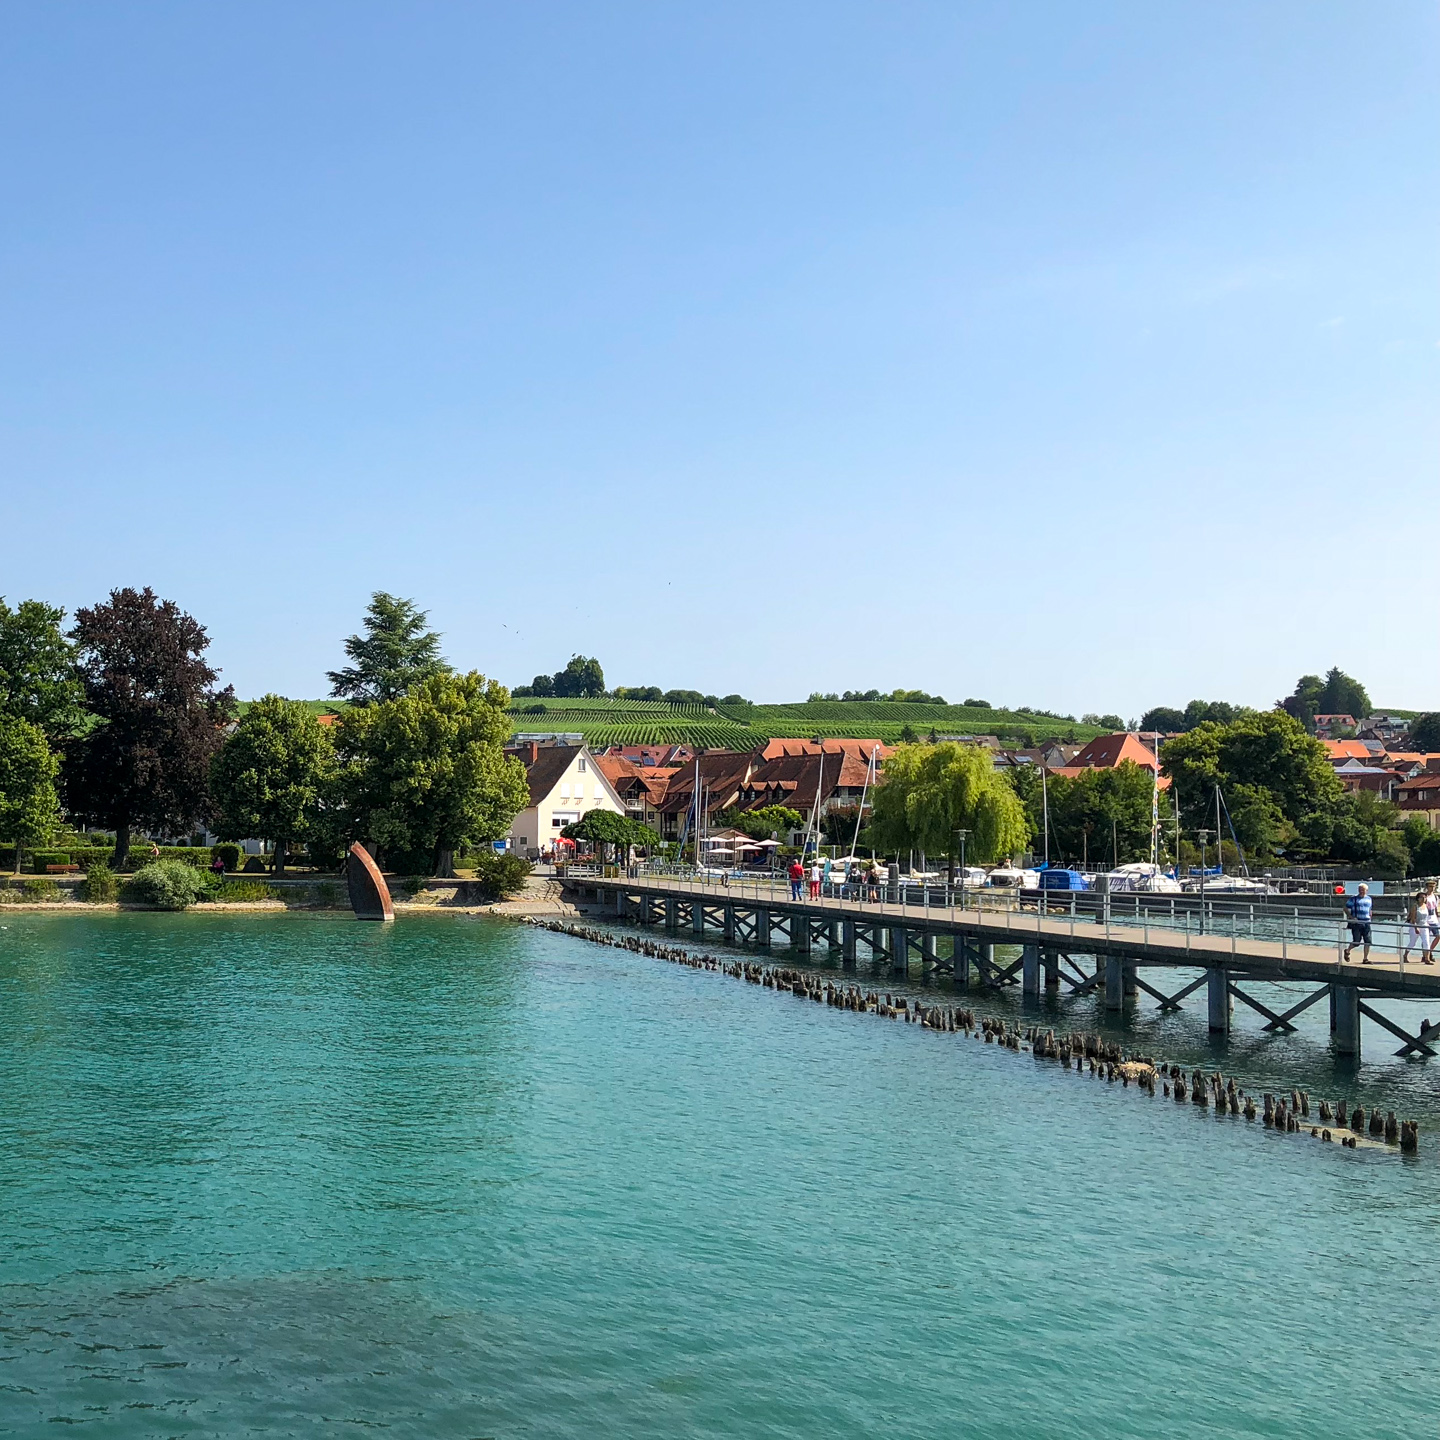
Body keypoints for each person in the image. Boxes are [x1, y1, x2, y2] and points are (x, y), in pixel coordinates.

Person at [1343, 883, 1373, 964]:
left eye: (1363, 890)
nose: (1361, 891)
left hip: (1366, 922)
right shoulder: (1353, 899)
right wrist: (1351, 917)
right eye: (1360, 890)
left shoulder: (1369, 899)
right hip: (1356, 923)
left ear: (1366, 890)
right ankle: (1347, 951)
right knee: (1356, 942)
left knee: (1368, 941)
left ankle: (1365, 959)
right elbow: (1345, 908)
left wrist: (1370, 917)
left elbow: (1370, 909)